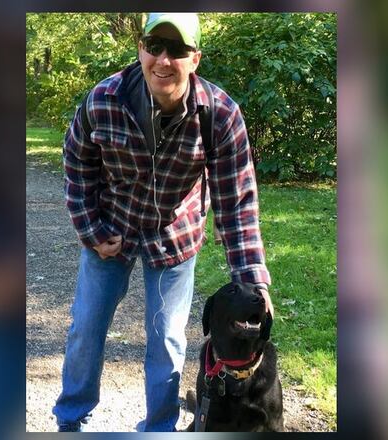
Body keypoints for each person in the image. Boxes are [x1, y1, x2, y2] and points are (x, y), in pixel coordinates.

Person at [53, 12, 273, 432]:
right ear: (140, 50)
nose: (163, 60)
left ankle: (158, 427)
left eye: (177, 50)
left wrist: (253, 279)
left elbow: (237, 201)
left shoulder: (220, 115)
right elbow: (76, 164)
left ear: (195, 59)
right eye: (154, 47)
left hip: (175, 235)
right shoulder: (103, 101)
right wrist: (92, 231)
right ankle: (69, 419)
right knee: (86, 329)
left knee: (168, 342)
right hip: (111, 229)